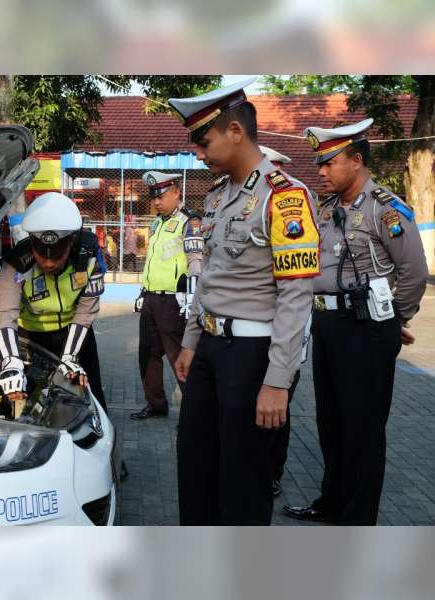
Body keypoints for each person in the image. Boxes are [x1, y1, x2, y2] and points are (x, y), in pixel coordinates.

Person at [170, 78, 319, 525]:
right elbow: (210, 277)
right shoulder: (218, 197)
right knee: (194, 465)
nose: (198, 153)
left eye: (203, 141)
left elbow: (296, 297)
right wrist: (192, 341)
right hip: (212, 350)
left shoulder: (285, 197)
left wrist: (278, 381)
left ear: (235, 131)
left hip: (254, 358)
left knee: (243, 479)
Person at [283, 118, 428, 525]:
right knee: (330, 422)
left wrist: (392, 320)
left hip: (367, 331)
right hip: (327, 327)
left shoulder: (386, 208)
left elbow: (414, 272)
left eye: (329, 163)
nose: (322, 171)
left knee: (362, 428)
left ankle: (357, 520)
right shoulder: (327, 209)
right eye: (319, 164)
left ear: (357, 160)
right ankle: (332, 503)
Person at [0, 191, 108, 412]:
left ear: (71, 242)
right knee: (29, 399)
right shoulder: (17, 262)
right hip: (31, 337)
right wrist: (11, 362)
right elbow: (5, 313)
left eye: (57, 255)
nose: (48, 263)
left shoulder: (89, 253)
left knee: (89, 395)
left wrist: (70, 356)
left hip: (75, 331)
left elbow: (86, 311)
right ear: (32, 244)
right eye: (41, 255)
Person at [130, 171, 203, 420]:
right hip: (152, 299)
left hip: (175, 301)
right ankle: (156, 405)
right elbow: (153, 261)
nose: (156, 202)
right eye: (154, 198)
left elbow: (196, 263)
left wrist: (192, 300)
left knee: (179, 356)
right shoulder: (156, 223)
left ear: (175, 193)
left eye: (161, 196)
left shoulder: (189, 222)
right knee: (147, 354)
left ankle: (196, 412)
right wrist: (143, 291)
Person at [260, 144, 304, 499]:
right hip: (255, 336)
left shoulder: (292, 203)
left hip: (286, 336)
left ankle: (272, 472)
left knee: (277, 410)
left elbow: (296, 289)